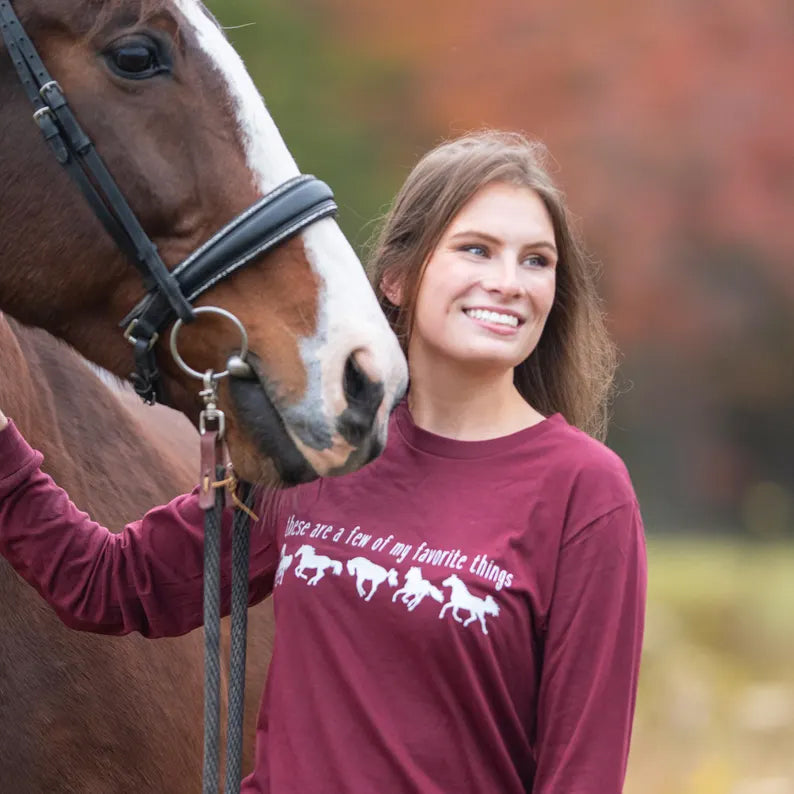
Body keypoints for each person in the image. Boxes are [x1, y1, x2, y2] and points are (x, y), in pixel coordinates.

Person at [0, 130, 646, 793]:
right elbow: (107, 584)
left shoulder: (584, 493)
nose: (508, 283)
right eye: (476, 250)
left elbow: (582, 774)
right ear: (396, 279)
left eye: (536, 261)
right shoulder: (324, 447)